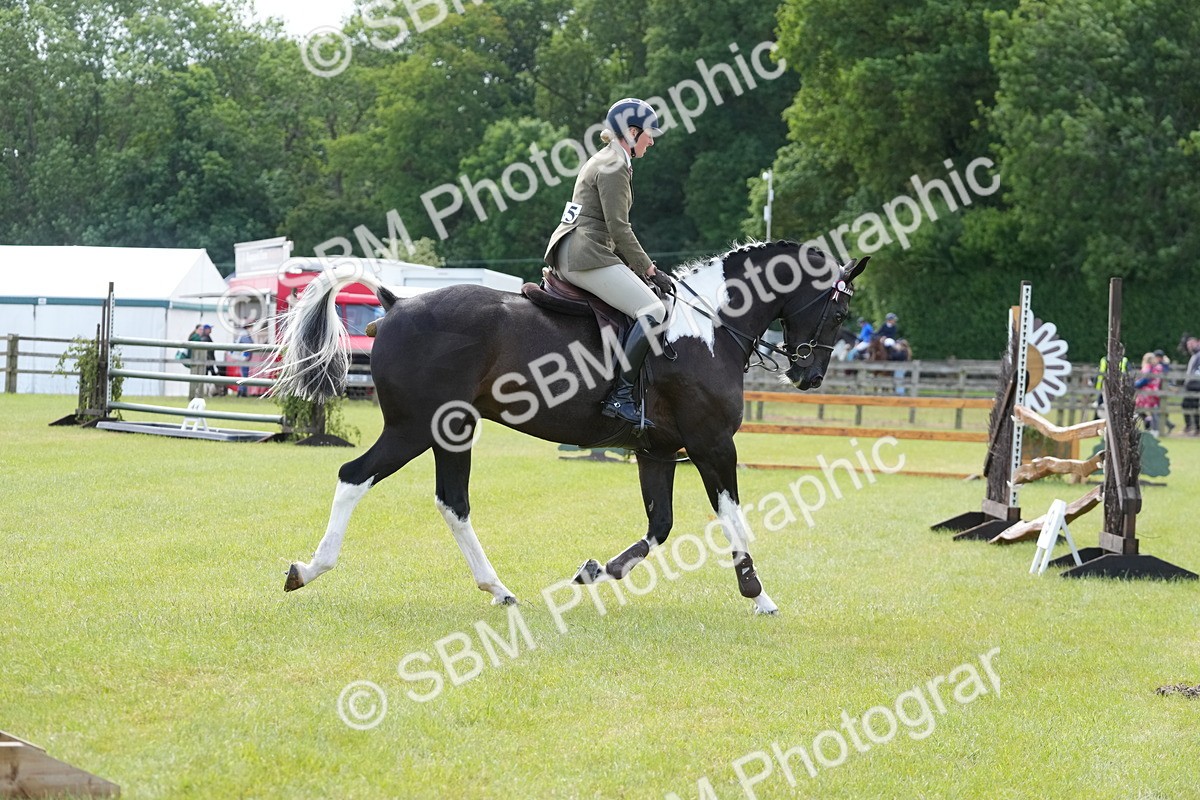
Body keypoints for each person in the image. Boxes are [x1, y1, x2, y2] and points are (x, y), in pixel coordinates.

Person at [544, 98, 667, 428]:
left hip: (578, 250)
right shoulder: (614, 165)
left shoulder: (607, 159)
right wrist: (649, 269)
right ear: (631, 131)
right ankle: (621, 396)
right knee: (654, 311)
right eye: (648, 134)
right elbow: (619, 227)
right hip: (588, 254)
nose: (651, 141)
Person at [1133, 351, 1163, 433]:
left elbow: (1145, 380)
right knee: (1152, 412)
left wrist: (1134, 384)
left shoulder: (1147, 367)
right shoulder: (1157, 368)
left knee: (1137, 409)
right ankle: (1153, 428)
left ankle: (1148, 424)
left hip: (1146, 393)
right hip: (1154, 392)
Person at [1183, 337, 1200, 436]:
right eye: (1188, 344)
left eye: (1192, 344)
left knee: (1193, 406)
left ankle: (1194, 427)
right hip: (1190, 384)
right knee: (1187, 405)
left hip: (1195, 384)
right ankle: (1190, 426)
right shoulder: (1194, 355)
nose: (1190, 346)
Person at [187, 324, 206, 400]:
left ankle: (195, 395)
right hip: (196, 360)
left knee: (196, 379)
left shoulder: (194, 336)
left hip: (196, 360)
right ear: (196, 329)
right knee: (196, 379)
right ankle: (195, 395)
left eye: (202, 329)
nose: (201, 331)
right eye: (200, 329)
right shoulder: (196, 337)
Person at [235, 325, 254, 397]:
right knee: (244, 374)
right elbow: (249, 345)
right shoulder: (245, 334)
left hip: (243, 357)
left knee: (244, 374)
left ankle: (241, 391)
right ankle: (242, 392)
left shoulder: (243, 334)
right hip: (244, 357)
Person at [200, 323, 218, 397]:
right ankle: (208, 392)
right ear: (206, 329)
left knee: (208, 375)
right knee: (208, 375)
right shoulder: (205, 338)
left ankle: (208, 392)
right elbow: (206, 351)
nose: (211, 330)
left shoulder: (206, 337)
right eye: (210, 328)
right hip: (208, 360)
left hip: (209, 360)